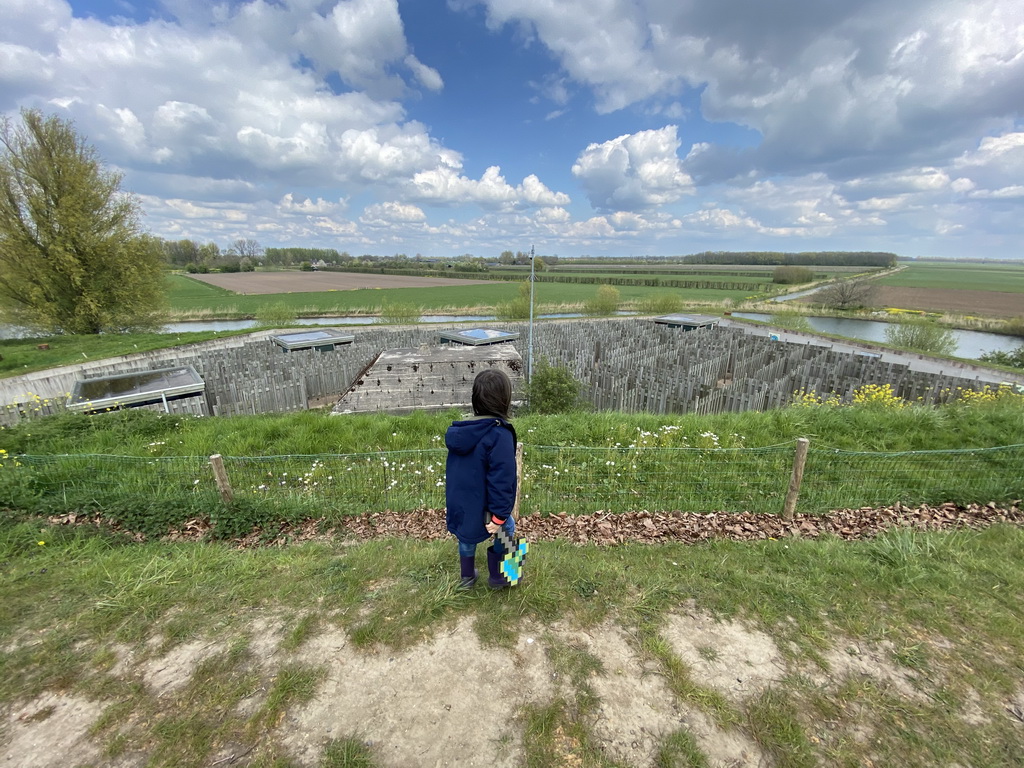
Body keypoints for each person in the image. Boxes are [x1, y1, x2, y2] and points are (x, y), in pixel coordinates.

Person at [445, 367, 518, 589]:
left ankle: (467, 577)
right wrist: (499, 515)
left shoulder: (462, 430)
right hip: (486, 504)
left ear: (476, 398)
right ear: (504, 399)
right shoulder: (499, 434)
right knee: (508, 528)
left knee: (465, 536)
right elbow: (503, 480)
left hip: (462, 502)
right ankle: (502, 577)